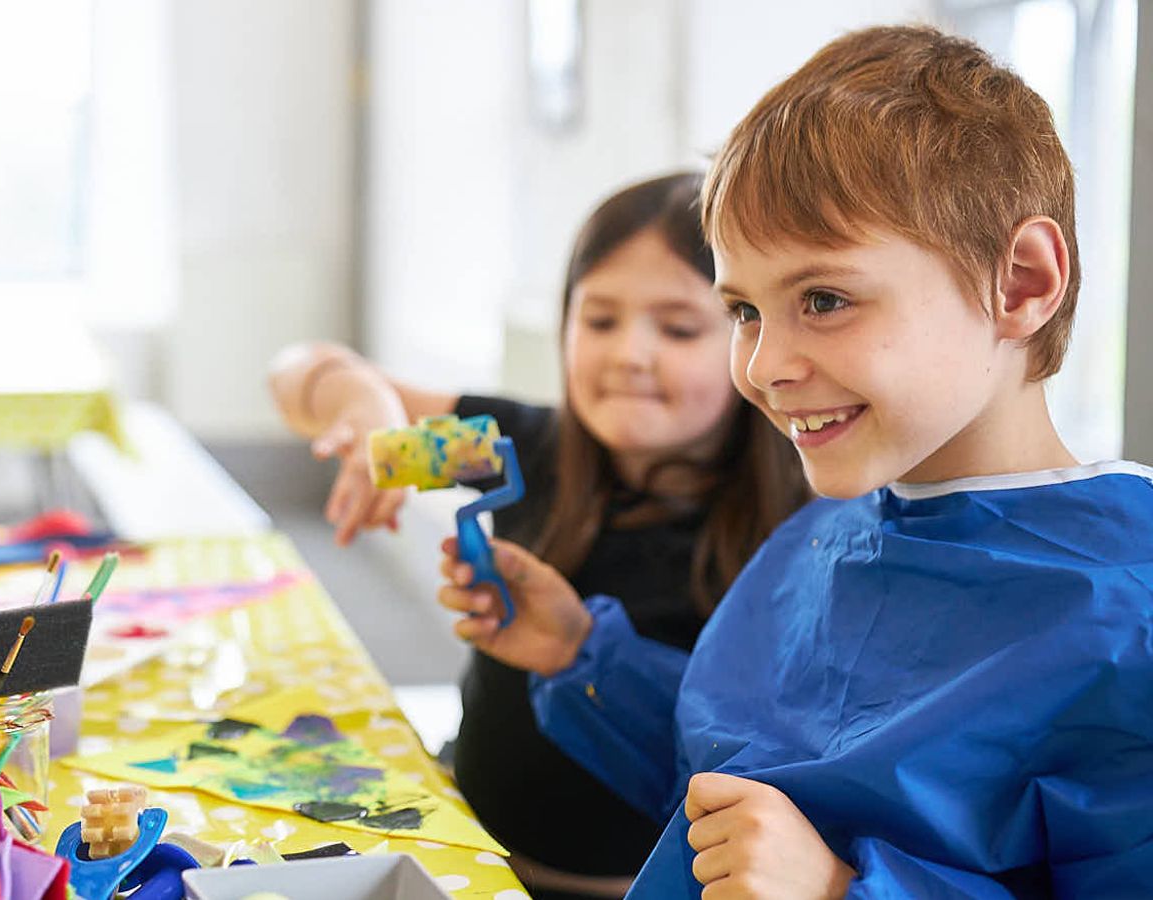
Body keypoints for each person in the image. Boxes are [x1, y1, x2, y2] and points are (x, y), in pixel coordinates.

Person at [440, 25, 1153, 896]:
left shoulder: (1125, 617)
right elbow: (723, 786)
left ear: (1022, 283)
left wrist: (839, 888)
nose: (762, 366)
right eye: (745, 310)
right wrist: (580, 655)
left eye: (823, 299)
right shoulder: (821, 538)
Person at [269, 173, 809, 898]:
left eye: (679, 328)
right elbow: (297, 374)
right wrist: (369, 410)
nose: (629, 354)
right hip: (474, 862)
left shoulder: (798, 521)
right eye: (600, 320)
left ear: (749, 338)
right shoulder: (514, 448)